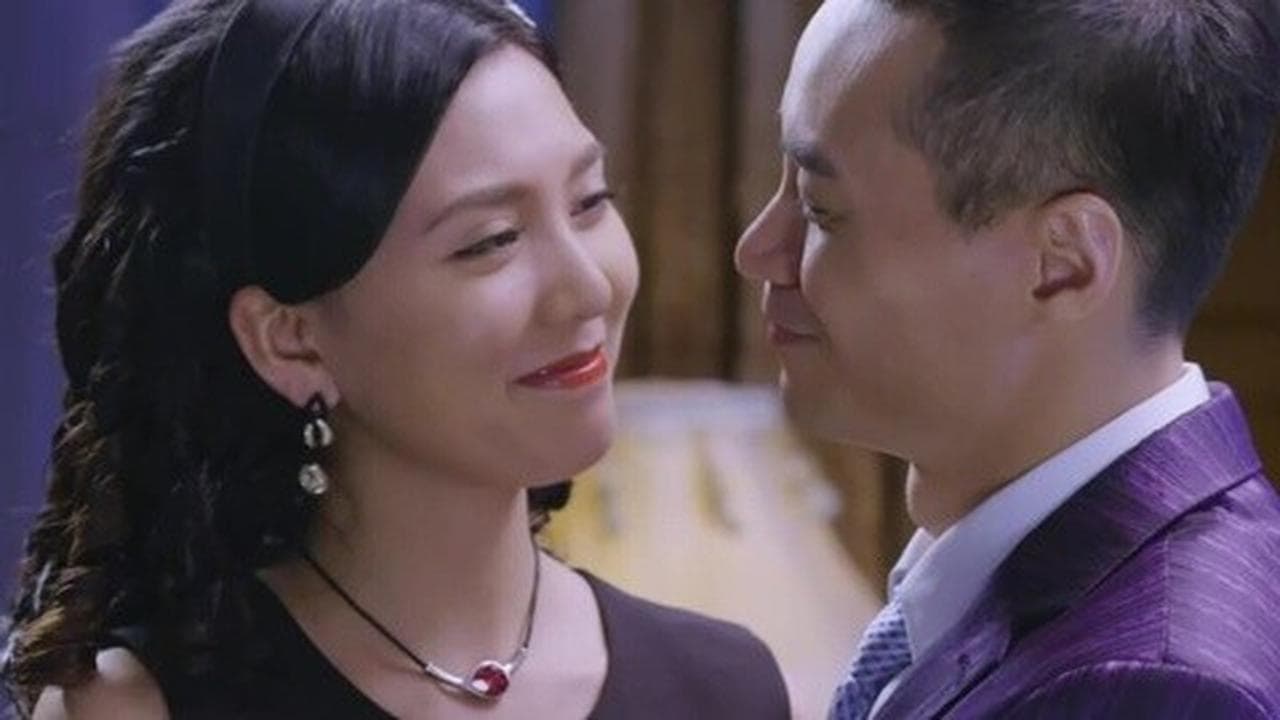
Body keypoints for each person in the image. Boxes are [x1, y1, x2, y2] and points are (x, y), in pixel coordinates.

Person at [0, 1, 791, 718]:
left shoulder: (725, 689)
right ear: (290, 338)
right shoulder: (137, 708)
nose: (588, 287)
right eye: (492, 241)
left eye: (590, 202)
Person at [736, 0, 1280, 718]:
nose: (756, 250)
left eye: (820, 209)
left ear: (1065, 263)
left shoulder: (1155, 686)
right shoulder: (1052, 594)